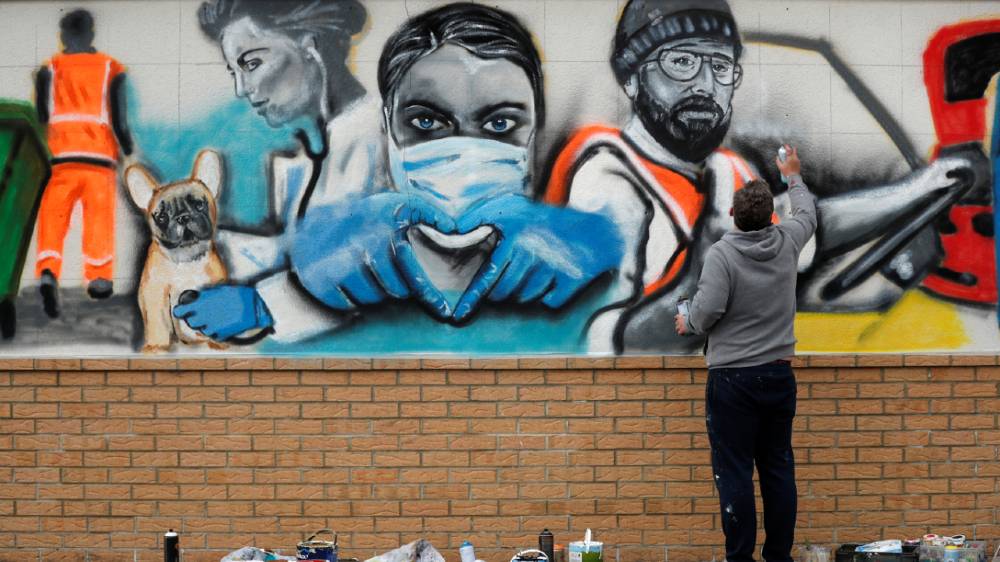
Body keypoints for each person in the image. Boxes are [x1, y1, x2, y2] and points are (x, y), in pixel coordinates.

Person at [544, 0, 970, 355]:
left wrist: (923, 187)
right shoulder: (608, 175)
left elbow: (802, 230)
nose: (705, 84)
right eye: (682, 62)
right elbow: (614, 345)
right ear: (632, 79)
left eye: (720, 65)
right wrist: (703, 279)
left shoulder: (727, 170)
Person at [288, 3, 623, 338]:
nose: (468, 155)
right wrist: (302, 273)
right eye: (426, 121)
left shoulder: (567, 267)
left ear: (534, 131)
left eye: (500, 123)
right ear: (387, 127)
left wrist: (601, 245)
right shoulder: (343, 260)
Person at [172, 0, 384, 343]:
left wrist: (263, 306)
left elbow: (369, 262)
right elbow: (296, 253)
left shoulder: (383, 136)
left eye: (252, 63)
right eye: (234, 72)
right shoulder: (301, 162)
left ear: (311, 47)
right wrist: (209, 245)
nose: (242, 89)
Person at [675, 146, 814, 562]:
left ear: (733, 214)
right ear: (772, 216)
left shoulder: (723, 254)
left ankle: (740, 557)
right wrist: (792, 174)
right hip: (778, 376)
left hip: (733, 380)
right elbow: (807, 214)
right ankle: (778, 556)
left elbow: (707, 313)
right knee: (777, 469)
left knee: (735, 471)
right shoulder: (788, 241)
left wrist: (687, 322)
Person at [35, 9, 133, 317]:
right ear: (91, 34)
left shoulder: (49, 69)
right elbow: (119, 119)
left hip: (60, 156)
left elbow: (41, 115)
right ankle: (99, 279)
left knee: (54, 216)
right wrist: (127, 148)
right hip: (99, 157)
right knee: (98, 218)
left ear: (63, 36)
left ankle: (48, 270)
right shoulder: (111, 68)